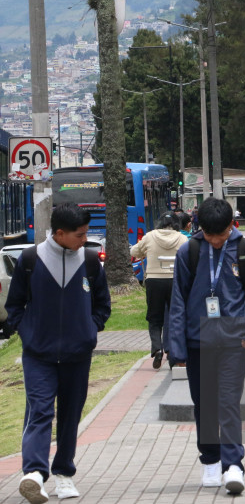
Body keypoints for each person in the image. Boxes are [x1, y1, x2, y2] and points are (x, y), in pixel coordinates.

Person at [5, 203, 111, 503]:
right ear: (60, 233)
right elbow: (14, 307)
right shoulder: (30, 260)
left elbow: (103, 304)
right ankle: (35, 474)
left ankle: (64, 474)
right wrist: (28, 333)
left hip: (78, 354)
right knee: (39, 411)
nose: (85, 239)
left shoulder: (90, 261)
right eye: (80, 234)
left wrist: (90, 330)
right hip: (38, 354)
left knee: (69, 416)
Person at [169, 198, 245, 495]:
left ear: (232, 226)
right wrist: (177, 347)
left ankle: (233, 464)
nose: (214, 241)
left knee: (227, 402)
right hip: (198, 342)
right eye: (208, 234)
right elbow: (177, 301)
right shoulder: (190, 251)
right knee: (204, 404)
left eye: (219, 235)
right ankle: (210, 460)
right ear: (200, 229)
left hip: (232, 342)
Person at [130, 212, 188, 369]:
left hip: (154, 280)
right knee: (175, 316)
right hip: (175, 280)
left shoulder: (150, 236)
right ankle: (173, 351)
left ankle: (157, 349)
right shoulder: (182, 238)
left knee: (154, 318)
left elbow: (134, 252)